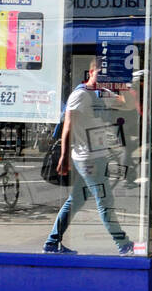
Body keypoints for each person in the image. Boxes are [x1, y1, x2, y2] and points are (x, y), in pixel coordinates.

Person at [44, 59, 135, 255]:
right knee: (105, 202)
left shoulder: (101, 93)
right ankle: (124, 244)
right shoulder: (80, 95)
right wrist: (64, 156)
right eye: (100, 73)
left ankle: (52, 243)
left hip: (97, 155)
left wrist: (121, 86)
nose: (103, 78)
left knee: (75, 201)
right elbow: (67, 126)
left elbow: (128, 105)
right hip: (88, 158)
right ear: (91, 72)